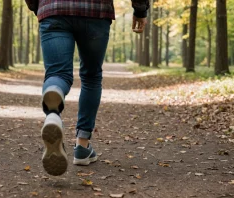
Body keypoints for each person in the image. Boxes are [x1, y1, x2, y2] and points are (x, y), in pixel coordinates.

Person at [25, 0, 150, 176]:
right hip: (96, 11)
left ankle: (53, 115)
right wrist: (140, 9)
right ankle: (82, 146)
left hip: (53, 8)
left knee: (57, 74)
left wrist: (38, 6)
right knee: (91, 77)